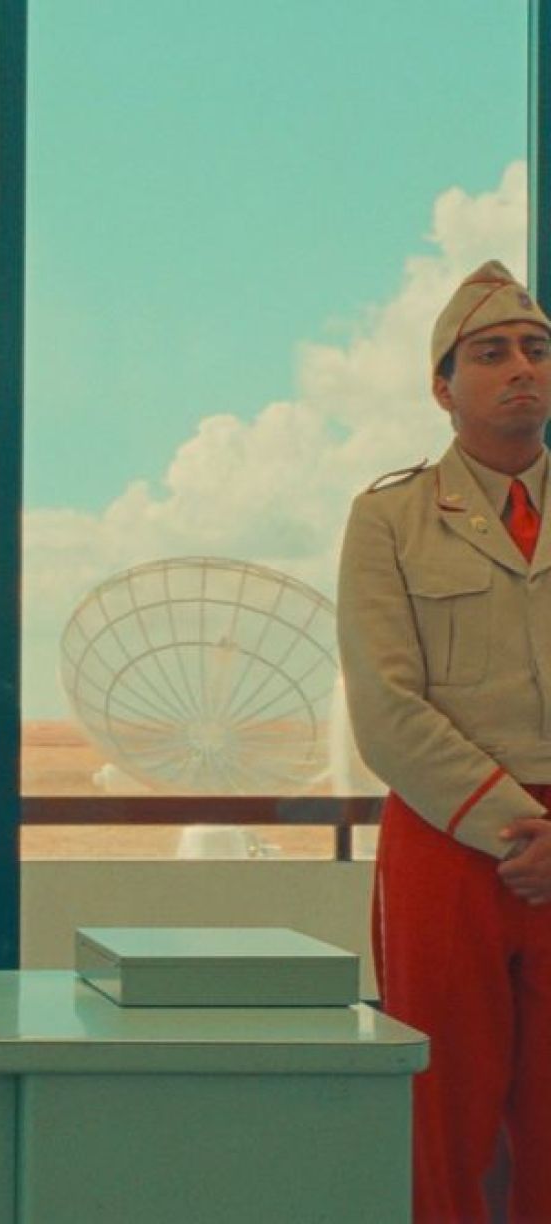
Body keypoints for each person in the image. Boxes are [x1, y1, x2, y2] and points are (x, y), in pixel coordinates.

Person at [338, 260, 551, 1221]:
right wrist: (519, 828)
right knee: (443, 1110)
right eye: (492, 353)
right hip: (449, 836)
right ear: (443, 387)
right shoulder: (390, 519)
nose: (522, 368)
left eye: (536, 349)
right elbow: (386, 708)